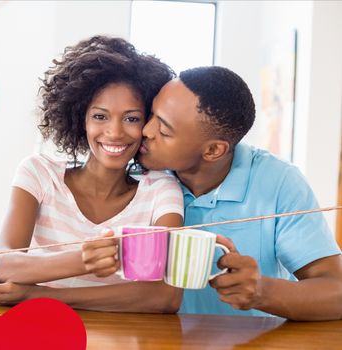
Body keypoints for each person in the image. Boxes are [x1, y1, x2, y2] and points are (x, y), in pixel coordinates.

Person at [83, 66, 342, 320]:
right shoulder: (135, 173)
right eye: (149, 115)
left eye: (163, 130)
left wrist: (262, 291)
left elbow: (336, 293)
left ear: (213, 151)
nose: (145, 131)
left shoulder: (279, 182)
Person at [0, 36, 184, 313]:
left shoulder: (160, 190)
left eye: (131, 118)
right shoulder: (39, 174)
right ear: (80, 119)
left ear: (147, 122)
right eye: (100, 116)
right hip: (43, 333)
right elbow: (4, 265)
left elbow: (164, 297)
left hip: (124, 338)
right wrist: (83, 259)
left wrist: (39, 296)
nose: (114, 132)